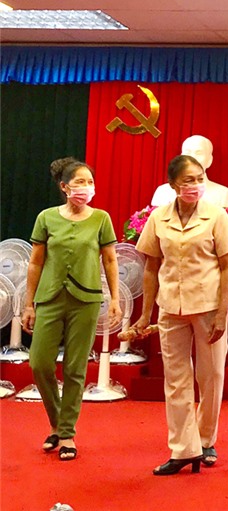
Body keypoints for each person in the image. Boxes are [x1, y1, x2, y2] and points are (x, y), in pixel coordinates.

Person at [132, 154, 228, 475]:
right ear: (173, 185)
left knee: (211, 376)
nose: (195, 185)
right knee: (176, 379)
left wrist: (222, 311)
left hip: (208, 307)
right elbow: (151, 267)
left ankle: (206, 439)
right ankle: (183, 449)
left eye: (199, 179)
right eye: (188, 180)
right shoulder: (158, 217)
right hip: (170, 307)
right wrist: (145, 314)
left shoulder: (216, 215)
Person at [22, 157, 121, 461]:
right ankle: (56, 421)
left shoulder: (101, 218)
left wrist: (115, 299)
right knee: (39, 363)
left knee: (75, 368)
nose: (86, 187)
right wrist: (28, 303)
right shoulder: (46, 218)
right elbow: (36, 262)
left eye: (90, 182)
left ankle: (66, 433)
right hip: (50, 298)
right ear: (64, 187)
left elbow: (110, 260)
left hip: (86, 300)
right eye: (80, 182)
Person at [151, 135, 228, 208]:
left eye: (198, 153)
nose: (192, 157)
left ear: (209, 160)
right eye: (188, 152)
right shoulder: (162, 192)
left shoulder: (224, 194)